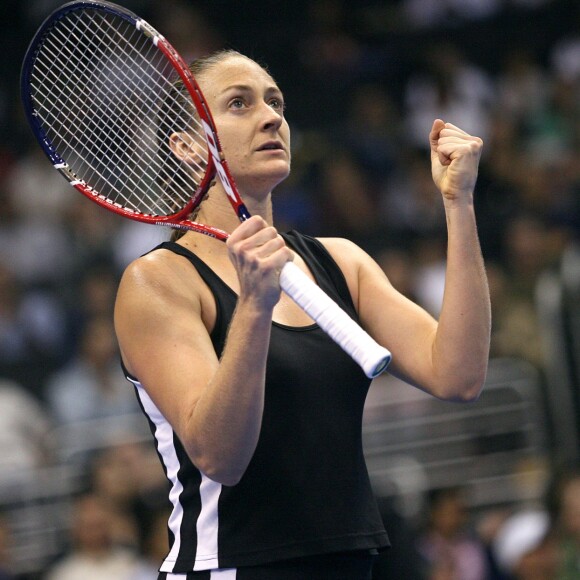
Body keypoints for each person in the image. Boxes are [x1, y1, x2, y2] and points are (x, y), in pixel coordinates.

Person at [114, 49, 491, 579]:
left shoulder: (341, 261)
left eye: (276, 102)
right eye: (239, 104)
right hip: (234, 567)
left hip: (350, 562)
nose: (271, 117)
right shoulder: (156, 282)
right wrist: (254, 307)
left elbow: (459, 374)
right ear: (186, 145)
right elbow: (220, 455)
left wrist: (460, 204)